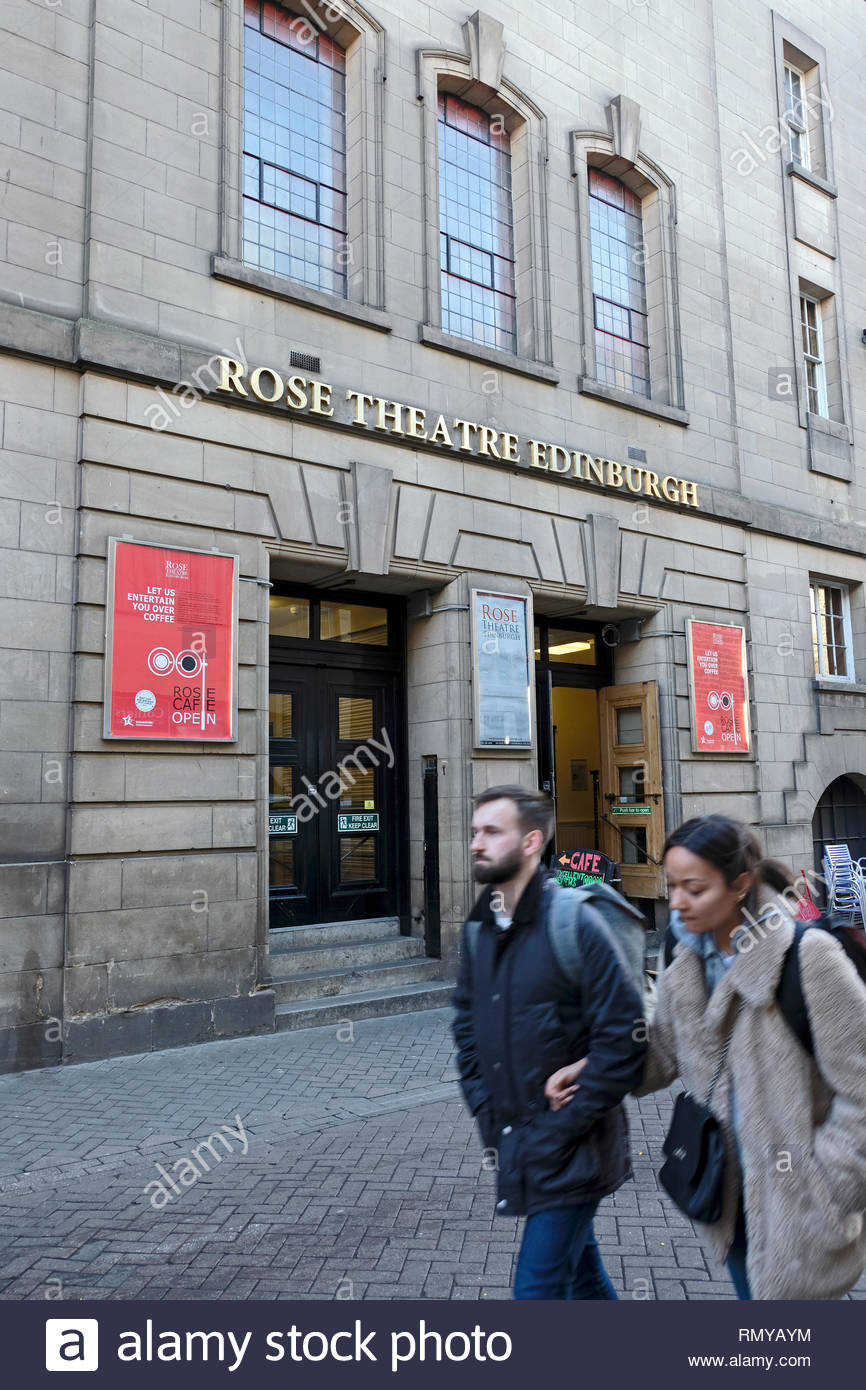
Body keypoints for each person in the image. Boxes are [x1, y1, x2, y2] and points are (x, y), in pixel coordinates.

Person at [546, 814, 866, 1300]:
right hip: (728, 1197)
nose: (675, 903)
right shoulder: (683, 963)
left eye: (693, 889)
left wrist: (825, 1190)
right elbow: (661, 1054)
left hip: (800, 1207)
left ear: (739, 885)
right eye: (671, 885)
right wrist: (593, 1064)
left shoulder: (808, 957)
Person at [452, 784, 647, 1300]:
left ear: (532, 841)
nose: (477, 843)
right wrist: (483, 1104)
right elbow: (467, 1027)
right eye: (475, 832)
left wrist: (567, 1123)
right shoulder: (479, 930)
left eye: (493, 832)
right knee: (582, 1277)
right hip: (520, 1141)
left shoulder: (574, 923)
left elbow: (625, 1033)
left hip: (574, 1148)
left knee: (536, 1292)